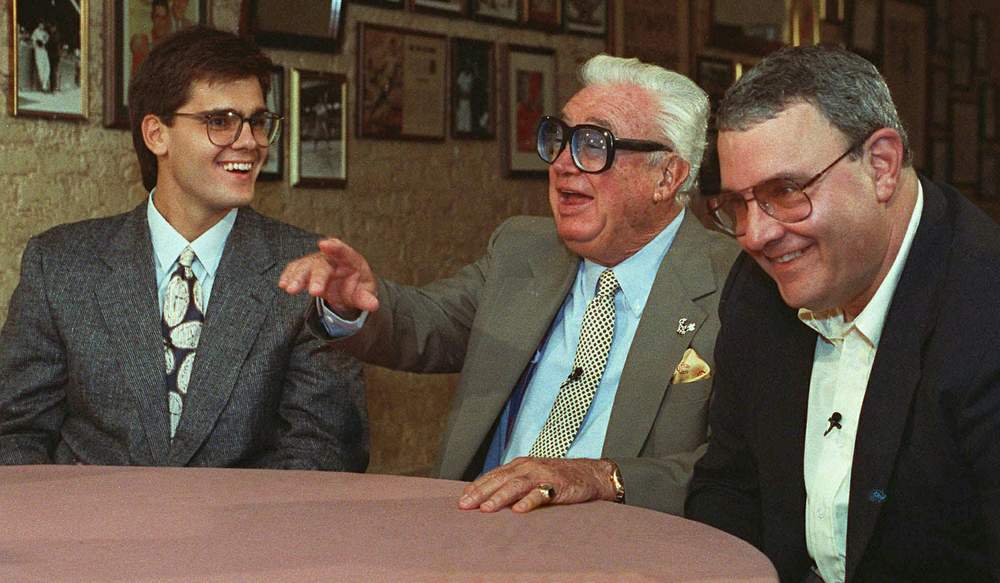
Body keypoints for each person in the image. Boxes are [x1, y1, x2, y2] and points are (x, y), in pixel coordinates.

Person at [280, 54, 739, 514]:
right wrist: (352, 302)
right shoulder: (523, 249)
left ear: (667, 176)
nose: (562, 163)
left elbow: (739, 465)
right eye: (558, 140)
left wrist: (601, 476)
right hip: (483, 529)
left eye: (593, 145)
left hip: (623, 548)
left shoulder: (734, 285)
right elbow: (427, 324)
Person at [686, 45, 1000, 582]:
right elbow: (730, 487)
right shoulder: (757, 291)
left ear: (881, 165)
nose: (756, 236)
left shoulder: (983, 306)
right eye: (737, 205)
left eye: (785, 192)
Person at [0, 26, 368, 471]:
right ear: (157, 134)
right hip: (91, 532)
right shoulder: (60, 264)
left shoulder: (306, 271)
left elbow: (324, 453)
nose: (249, 141)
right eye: (220, 121)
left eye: (256, 121)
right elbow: (16, 435)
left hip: (248, 535)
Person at [31, 21, 50, 93]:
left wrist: (44, 41)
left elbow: (47, 39)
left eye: (43, 25)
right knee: (40, 67)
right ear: (39, 24)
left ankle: (45, 84)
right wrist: (38, 43)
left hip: (44, 51)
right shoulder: (35, 31)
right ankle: (43, 86)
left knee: (47, 67)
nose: (42, 26)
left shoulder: (45, 32)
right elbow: (34, 41)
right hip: (38, 51)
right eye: (41, 24)